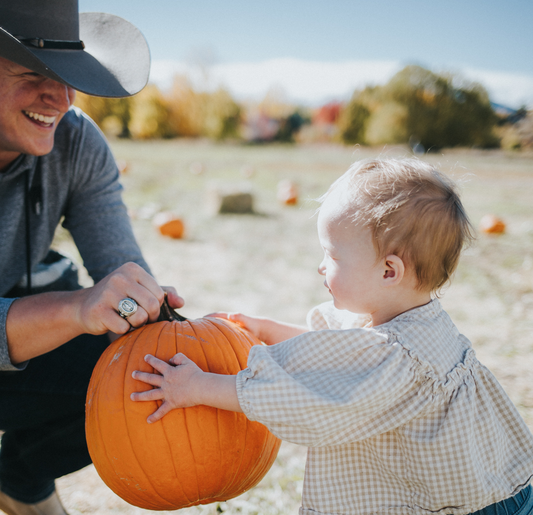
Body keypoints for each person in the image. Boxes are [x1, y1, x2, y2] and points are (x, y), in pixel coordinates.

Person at [132, 158, 533, 515]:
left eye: (333, 256)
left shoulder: (398, 358)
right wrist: (265, 330)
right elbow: (339, 356)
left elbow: (305, 405)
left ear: (389, 271)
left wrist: (198, 386)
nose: (321, 267)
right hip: (485, 494)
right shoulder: (403, 321)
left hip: (469, 507)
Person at [0, 1, 183, 514]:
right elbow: (83, 305)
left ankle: (20, 479)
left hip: (13, 329)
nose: (59, 98)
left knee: (141, 368)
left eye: (67, 76)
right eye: (34, 73)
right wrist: (77, 308)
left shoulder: (76, 141)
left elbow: (120, 268)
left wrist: (151, 312)